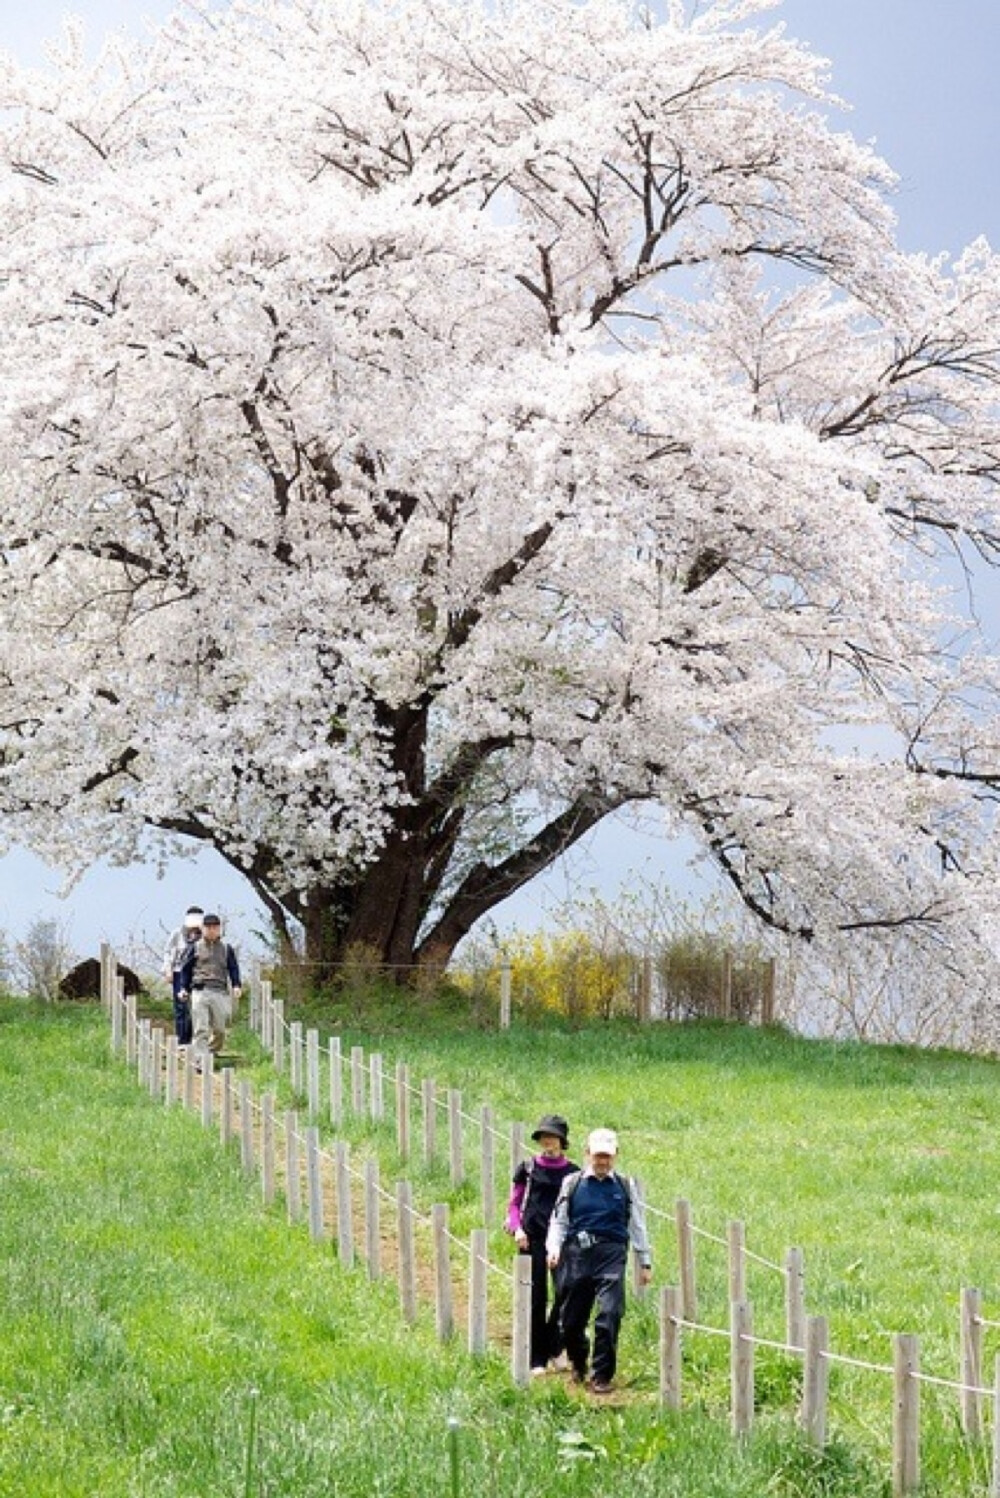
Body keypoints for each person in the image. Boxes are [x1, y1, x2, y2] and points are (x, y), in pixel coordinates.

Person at [546, 1127, 652, 1395]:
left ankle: (601, 1375)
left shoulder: (625, 1186)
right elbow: (559, 1221)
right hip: (577, 1256)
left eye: (607, 1156)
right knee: (571, 1320)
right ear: (587, 1154)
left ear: (615, 1155)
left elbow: (637, 1224)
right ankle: (579, 1362)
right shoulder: (572, 1183)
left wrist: (645, 1260)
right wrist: (554, 1248)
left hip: (612, 1256)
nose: (602, 1161)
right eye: (597, 1156)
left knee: (610, 1313)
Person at [505, 1114, 579, 1375]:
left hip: (562, 1242)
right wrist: (517, 1229)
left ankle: (555, 1344)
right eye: (544, 1137)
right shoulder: (527, 1168)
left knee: (566, 1294)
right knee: (535, 1298)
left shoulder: (574, 1174)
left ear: (562, 1141)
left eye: (553, 1137)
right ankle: (536, 1357)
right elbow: (514, 1204)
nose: (548, 1141)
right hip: (531, 1239)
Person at [176, 913, 242, 1071]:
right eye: (208, 927)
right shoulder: (195, 947)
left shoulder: (227, 949)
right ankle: (200, 1060)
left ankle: (210, 1052)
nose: (212, 930)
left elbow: (233, 968)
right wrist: (183, 988)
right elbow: (185, 969)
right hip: (200, 990)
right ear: (202, 928)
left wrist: (236, 985)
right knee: (201, 1027)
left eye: (215, 927)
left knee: (220, 1029)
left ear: (219, 929)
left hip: (219, 991)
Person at [161, 905, 204, 1046]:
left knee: (197, 1006)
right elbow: (168, 951)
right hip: (179, 972)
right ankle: (182, 1038)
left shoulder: (204, 935)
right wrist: (168, 970)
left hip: (199, 973)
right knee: (181, 1006)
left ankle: (195, 1038)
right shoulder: (177, 934)